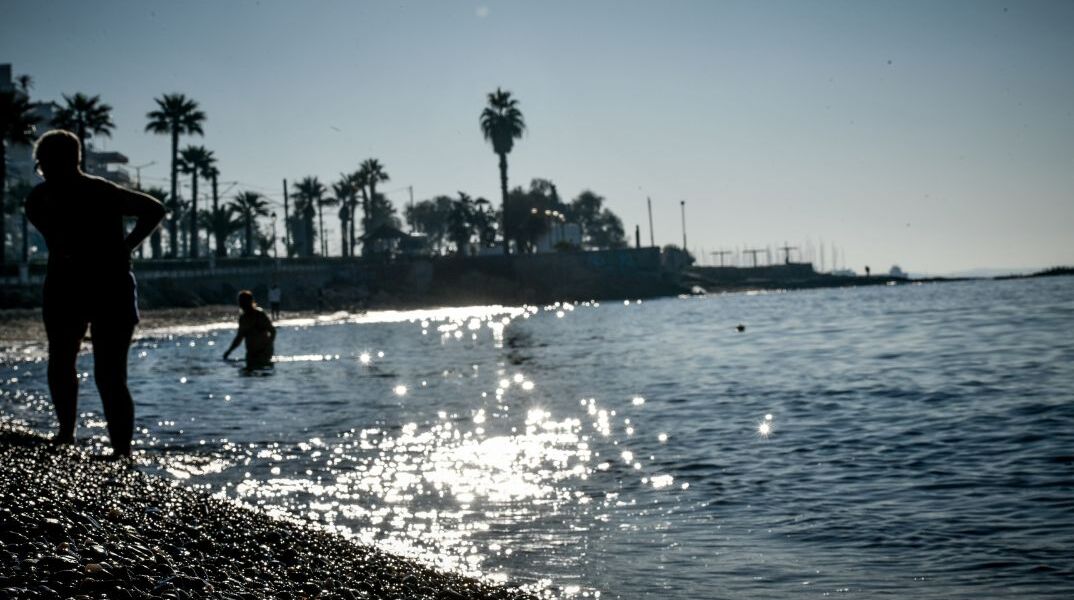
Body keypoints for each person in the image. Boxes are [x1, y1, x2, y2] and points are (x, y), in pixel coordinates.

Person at [24, 130, 166, 459]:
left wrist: (124, 246)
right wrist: (123, 247)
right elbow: (154, 210)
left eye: (43, 163)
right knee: (90, 368)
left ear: (57, 161)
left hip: (84, 285)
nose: (42, 169)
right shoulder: (92, 193)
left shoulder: (45, 198)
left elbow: (154, 209)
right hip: (96, 285)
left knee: (88, 367)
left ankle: (94, 443)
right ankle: (93, 442)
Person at [223, 290, 277, 370]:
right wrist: (228, 352)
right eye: (240, 302)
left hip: (264, 353)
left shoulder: (259, 314)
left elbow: (273, 331)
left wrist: (268, 346)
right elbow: (239, 338)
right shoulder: (243, 318)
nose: (241, 304)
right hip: (251, 353)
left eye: (243, 302)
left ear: (250, 301)